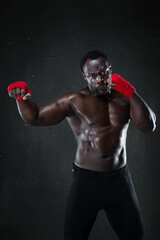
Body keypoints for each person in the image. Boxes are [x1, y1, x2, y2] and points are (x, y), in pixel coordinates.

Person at [8, 50, 156, 240]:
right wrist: (21, 99)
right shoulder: (75, 101)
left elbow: (148, 126)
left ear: (110, 70)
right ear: (84, 76)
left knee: (135, 236)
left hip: (120, 181)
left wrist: (129, 91)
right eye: (92, 76)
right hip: (86, 183)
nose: (99, 80)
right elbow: (36, 117)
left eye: (103, 72)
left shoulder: (124, 99)